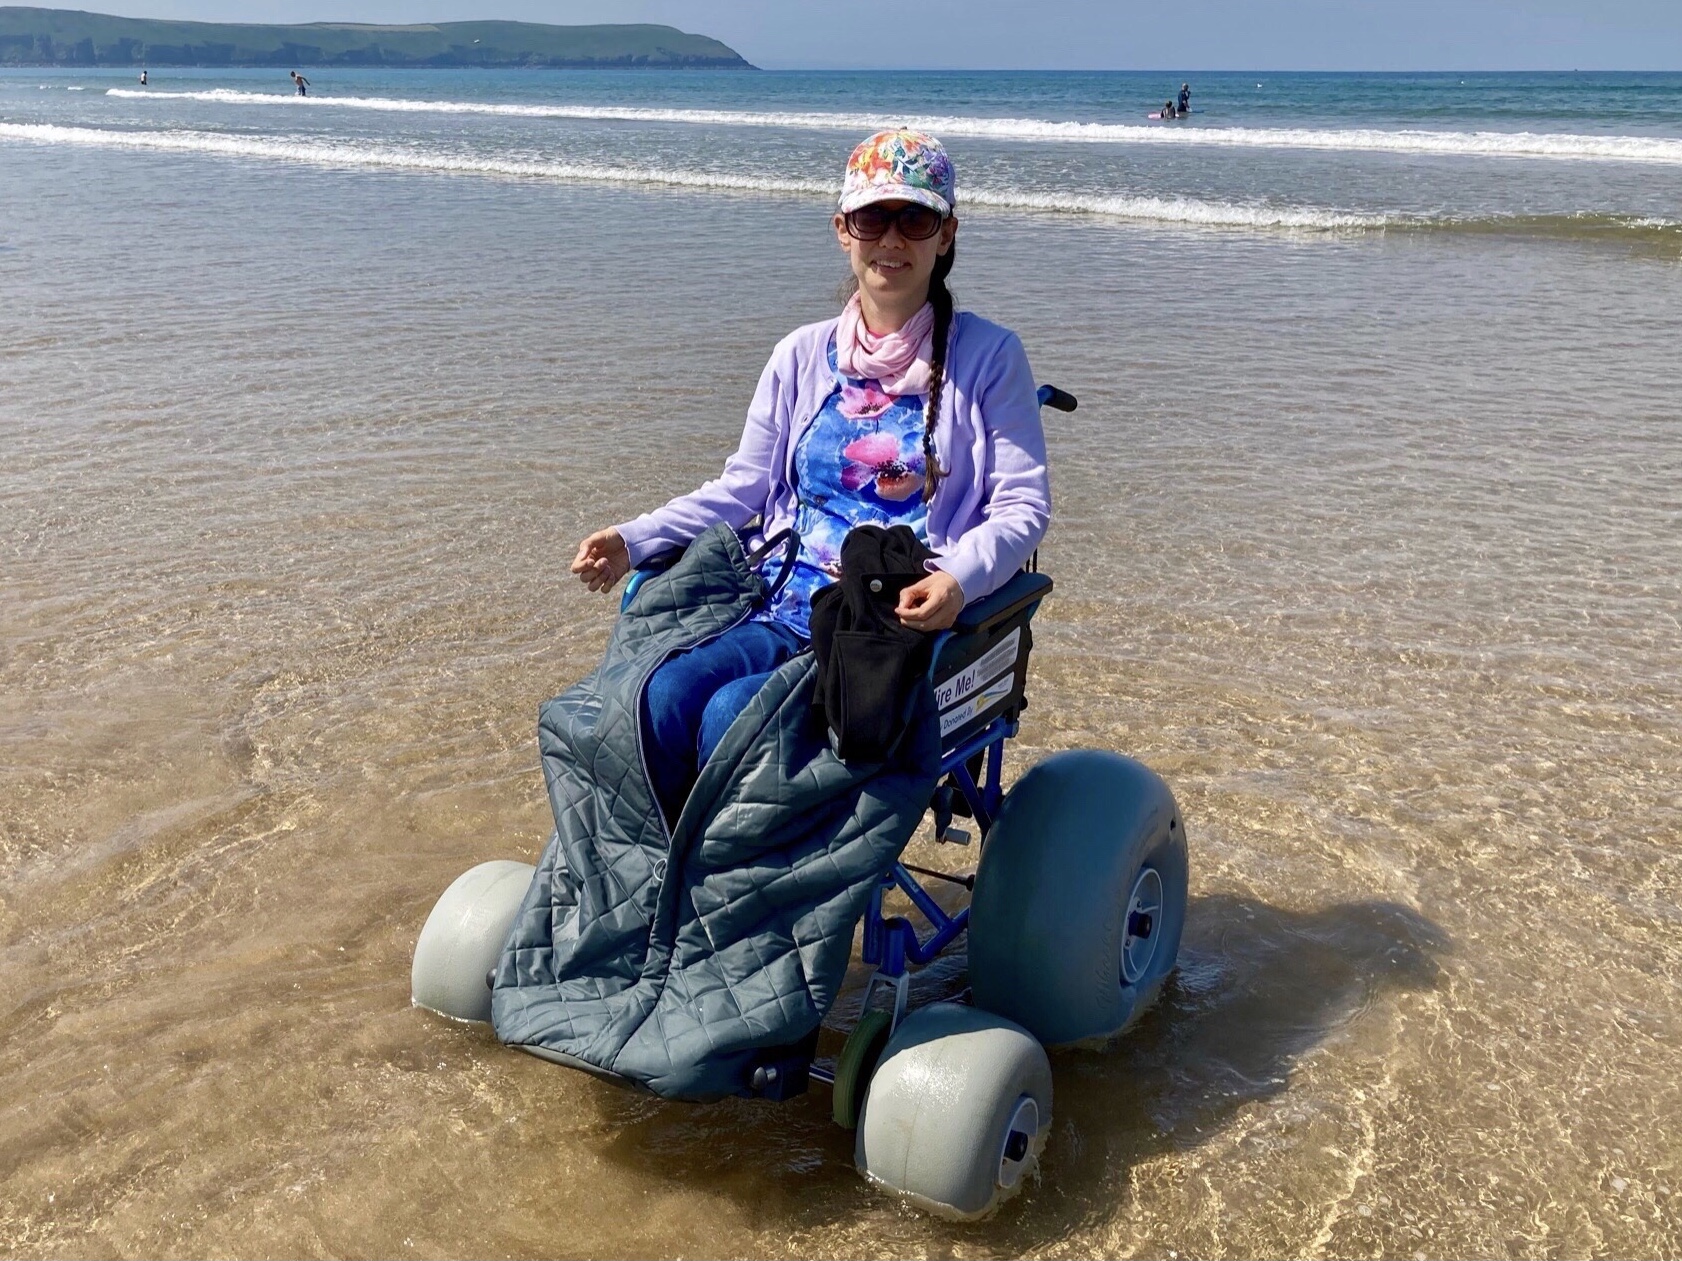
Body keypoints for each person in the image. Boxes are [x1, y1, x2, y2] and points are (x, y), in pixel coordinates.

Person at [571, 129, 1051, 822]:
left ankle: (739, 901)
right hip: (777, 597)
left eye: (913, 218)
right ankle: (663, 890)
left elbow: (1022, 508)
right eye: (872, 218)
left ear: (945, 236)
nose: (892, 238)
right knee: (657, 700)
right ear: (843, 230)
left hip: (887, 627)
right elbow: (744, 488)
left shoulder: (990, 356)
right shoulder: (800, 355)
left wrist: (956, 580)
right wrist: (633, 540)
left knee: (734, 719)